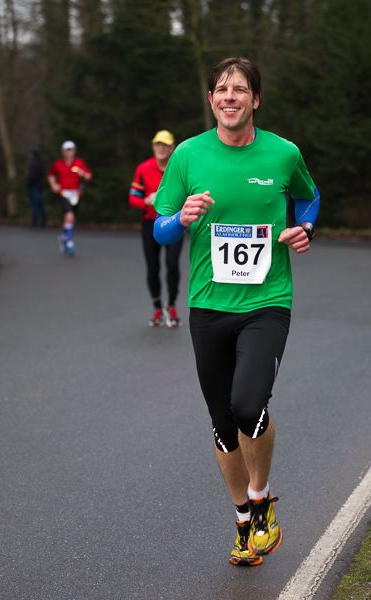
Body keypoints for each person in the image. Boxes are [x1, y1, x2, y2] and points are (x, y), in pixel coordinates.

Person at [153, 57, 320, 566]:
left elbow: (309, 199)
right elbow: (161, 227)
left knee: (248, 405)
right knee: (223, 424)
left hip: (267, 302)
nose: (230, 96)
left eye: (240, 89)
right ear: (211, 100)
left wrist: (305, 229)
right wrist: (181, 217)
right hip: (207, 304)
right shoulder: (187, 155)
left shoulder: (284, 153)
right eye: (222, 89)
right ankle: (244, 523)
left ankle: (261, 498)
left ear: (255, 100)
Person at [129, 130, 184, 327]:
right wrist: (146, 201)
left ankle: (172, 306)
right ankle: (157, 307)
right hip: (150, 223)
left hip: (174, 223)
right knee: (153, 266)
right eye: (157, 144)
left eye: (165, 145)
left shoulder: (178, 167)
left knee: (172, 264)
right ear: (153, 147)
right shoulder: (143, 168)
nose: (161, 148)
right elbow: (132, 198)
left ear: (172, 148)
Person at [48, 140, 92, 255]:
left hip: (75, 195)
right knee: (69, 215)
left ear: (74, 151)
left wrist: (83, 174)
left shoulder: (79, 163)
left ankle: (64, 237)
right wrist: (54, 185)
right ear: (62, 152)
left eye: (71, 150)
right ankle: (69, 242)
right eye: (66, 150)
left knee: (71, 219)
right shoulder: (58, 164)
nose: (69, 153)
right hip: (63, 194)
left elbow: (88, 177)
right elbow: (51, 175)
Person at [27, 147, 46, 228]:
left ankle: (35, 221)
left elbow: (33, 176)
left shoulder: (35, 164)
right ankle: (43, 221)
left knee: (36, 205)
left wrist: (29, 182)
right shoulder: (39, 163)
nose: (30, 155)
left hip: (35, 187)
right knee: (40, 204)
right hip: (37, 186)